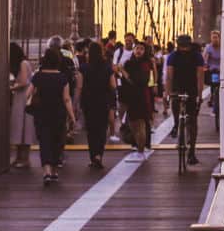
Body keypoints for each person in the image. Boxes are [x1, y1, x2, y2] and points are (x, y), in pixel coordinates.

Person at [25, 50, 76, 185]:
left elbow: (28, 93)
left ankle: (46, 171)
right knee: (56, 141)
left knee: (45, 141)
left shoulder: (38, 76)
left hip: (41, 113)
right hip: (58, 113)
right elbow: (66, 99)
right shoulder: (63, 78)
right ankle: (54, 171)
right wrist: (72, 116)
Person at [163, 34, 207, 166]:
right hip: (191, 89)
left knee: (177, 107)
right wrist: (200, 95)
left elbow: (169, 77)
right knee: (192, 120)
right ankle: (191, 152)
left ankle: (176, 125)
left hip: (178, 88)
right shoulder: (197, 56)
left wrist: (168, 93)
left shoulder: (173, 56)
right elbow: (200, 77)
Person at [77, 41, 115, 170]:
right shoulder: (107, 67)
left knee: (91, 130)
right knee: (102, 129)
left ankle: (93, 156)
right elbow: (113, 85)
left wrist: (77, 102)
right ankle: (99, 155)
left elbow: (80, 86)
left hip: (88, 102)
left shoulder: (83, 68)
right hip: (103, 101)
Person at [119, 41, 153, 151]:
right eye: (137, 48)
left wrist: (123, 71)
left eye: (141, 49)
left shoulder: (145, 64)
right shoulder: (129, 62)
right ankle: (138, 144)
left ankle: (142, 147)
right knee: (133, 122)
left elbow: (138, 80)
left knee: (142, 122)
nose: (138, 51)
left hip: (142, 96)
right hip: (131, 96)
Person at [8, 41, 32, 170]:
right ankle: (19, 157)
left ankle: (24, 159)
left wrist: (11, 87)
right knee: (21, 127)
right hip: (22, 97)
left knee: (22, 127)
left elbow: (23, 82)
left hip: (22, 97)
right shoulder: (26, 62)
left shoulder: (22, 64)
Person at [203, 30, 224, 114]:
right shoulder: (208, 48)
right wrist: (205, 66)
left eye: (216, 37)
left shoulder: (223, 47)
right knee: (213, 84)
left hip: (221, 69)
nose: (214, 39)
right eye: (213, 37)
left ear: (219, 38)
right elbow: (205, 58)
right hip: (212, 69)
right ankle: (213, 96)